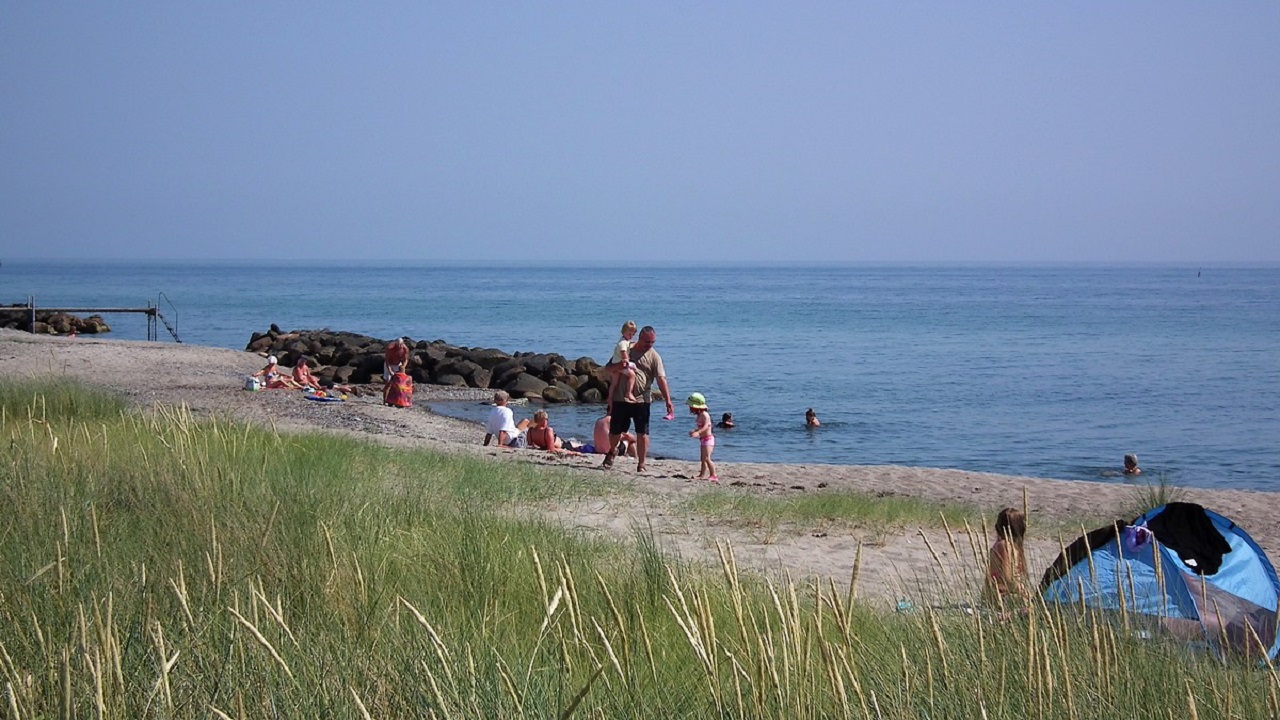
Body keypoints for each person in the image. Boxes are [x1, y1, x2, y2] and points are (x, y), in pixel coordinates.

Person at [601, 326, 674, 472]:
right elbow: (608, 368)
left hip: (641, 400)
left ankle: (641, 464)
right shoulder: (626, 349)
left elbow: (661, 379)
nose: (649, 345)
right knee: (615, 431)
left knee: (642, 432)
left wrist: (668, 400)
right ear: (640, 338)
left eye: (652, 342)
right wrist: (619, 365)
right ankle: (612, 450)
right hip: (620, 398)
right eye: (647, 341)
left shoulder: (654, 357)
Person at [985, 508, 1029, 605]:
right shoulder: (1006, 546)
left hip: (995, 595)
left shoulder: (1001, 545)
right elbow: (1007, 577)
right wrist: (1023, 591)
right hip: (1001, 596)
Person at [687, 392, 718, 483]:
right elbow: (701, 427)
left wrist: (698, 432)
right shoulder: (700, 415)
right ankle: (702, 474)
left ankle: (714, 475)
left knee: (707, 458)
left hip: (708, 439)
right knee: (702, 459)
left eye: (691, 407)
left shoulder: (705, 415)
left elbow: (706, 427)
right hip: (703, 439)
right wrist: (695, 430)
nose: (690, 408)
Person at [608, 321, 640, 405]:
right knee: (632, 375)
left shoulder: (624, 340)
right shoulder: (622, 343)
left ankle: (610, 397)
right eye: (630, 335)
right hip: (620, 364)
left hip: (615, 362)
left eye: (633, 335)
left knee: (614, 382)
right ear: (623, 332)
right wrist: (627, 359)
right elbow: (623, 352)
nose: (631, 337)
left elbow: (629, 344)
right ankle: (629, 392)